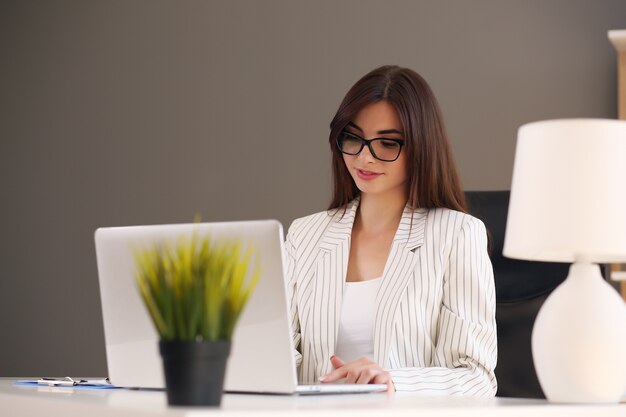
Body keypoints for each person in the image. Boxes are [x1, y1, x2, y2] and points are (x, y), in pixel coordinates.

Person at [284, 65, 497, 396]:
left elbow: (475, 376)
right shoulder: (304, 236)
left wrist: (391, 381)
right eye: (353, 138)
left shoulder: (457, 235)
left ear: (421, 147)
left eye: (387, 143)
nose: (365, 157)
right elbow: (278, 358)